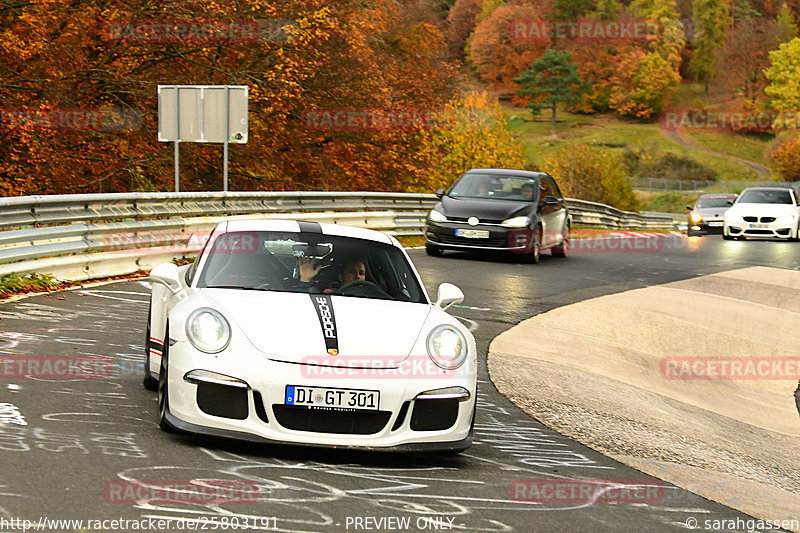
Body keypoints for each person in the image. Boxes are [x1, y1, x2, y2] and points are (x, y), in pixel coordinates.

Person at [296, 256, 366, 291]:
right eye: (351, 272)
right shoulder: (330, 296)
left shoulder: (373, 297)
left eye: (361, 273)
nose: (357, 276)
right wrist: (305, 279)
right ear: (341, 277)